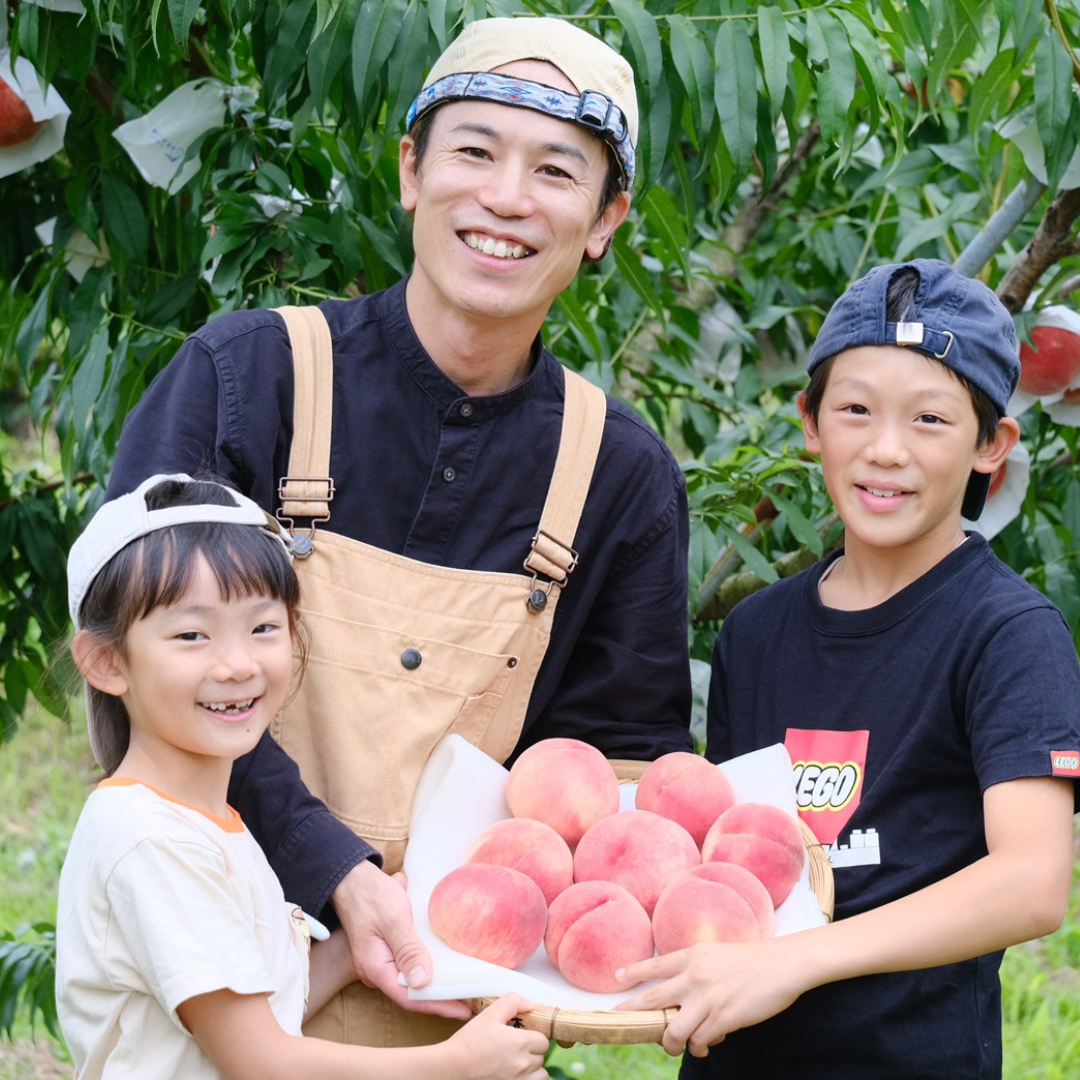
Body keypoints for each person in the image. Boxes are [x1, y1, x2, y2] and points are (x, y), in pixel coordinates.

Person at [105, 14, 693, 1046]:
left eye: (557, 172)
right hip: (208, 973)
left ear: (606, 220)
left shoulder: (618, 474)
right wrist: (339, 876)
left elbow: (613, 770)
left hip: (450, 1007)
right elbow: (141, 676)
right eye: (474, 151)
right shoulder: (249, 380)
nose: (507, 198)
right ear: (412, 169)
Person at [616, 259, 1080, 1078]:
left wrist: (799, 960)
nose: (886, 449)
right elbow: (742, 856)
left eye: (930, 419)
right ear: (810, 422)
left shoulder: (1008, 633)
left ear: (991, 446)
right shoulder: (756, 632)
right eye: (856, 410)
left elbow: (1032, 881)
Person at [56, 473, 550, 1080]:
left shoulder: (209, 824)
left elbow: (260, 1012)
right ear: (107, 662)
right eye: (192, 635)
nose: (237, 664)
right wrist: (456, 1064)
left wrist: (347, 955)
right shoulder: (153, 842)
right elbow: (259, 1059)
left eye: (263, 627)